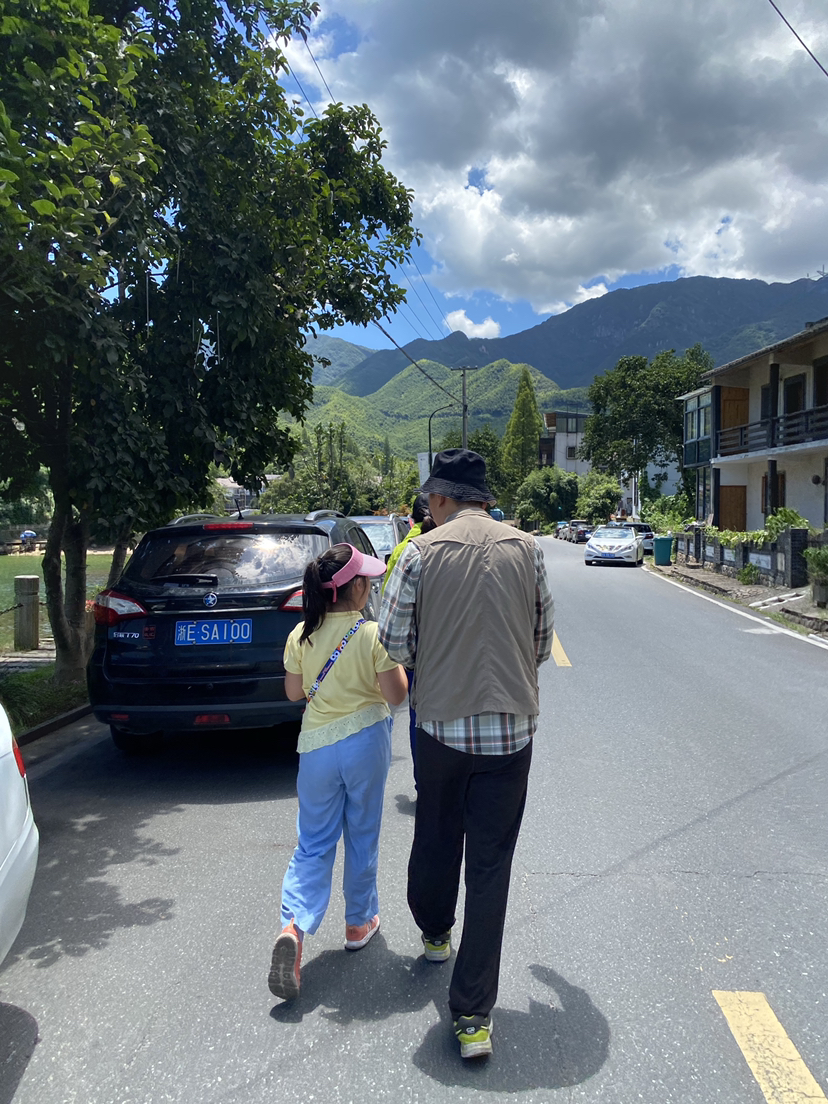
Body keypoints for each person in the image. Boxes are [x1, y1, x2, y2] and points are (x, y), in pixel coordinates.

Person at [378, 449, 554, 1059]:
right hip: (511, 732)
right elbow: (540, 641)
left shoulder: (420, 553)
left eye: (430, 499)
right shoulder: (528, 549)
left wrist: (438, 662)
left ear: (443, 498)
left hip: (440, 727)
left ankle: (434, 933)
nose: (427, 509)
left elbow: (393, 641)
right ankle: (474, 1016)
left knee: (435, 833)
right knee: (490, 867)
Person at [269, 544, 408, 1002]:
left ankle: (293, 925)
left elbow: (294, 692)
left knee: (313, 842)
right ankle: (358, 922)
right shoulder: (372, 634)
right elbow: (396, 695)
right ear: (359, 588)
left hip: (316, 748)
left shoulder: (301, 634)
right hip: (365, 742)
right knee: (362, 833)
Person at [383, 493, 437, 791]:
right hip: (448, 649)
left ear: (410, 518)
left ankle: (423, 786)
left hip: (416, 654)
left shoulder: (404, 550)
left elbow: (389, 608)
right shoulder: (450, 546)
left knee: (418, 719)